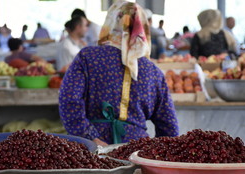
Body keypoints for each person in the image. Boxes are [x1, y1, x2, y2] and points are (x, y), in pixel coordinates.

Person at [59, 1, 179, 146]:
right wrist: (153, 154)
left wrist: (90, 138)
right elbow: (169, 128)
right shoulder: (153, 72)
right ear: (142, 27)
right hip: (136, 151)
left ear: (110, 22)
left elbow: (69, 101)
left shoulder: (87, 57)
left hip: (90, 152)